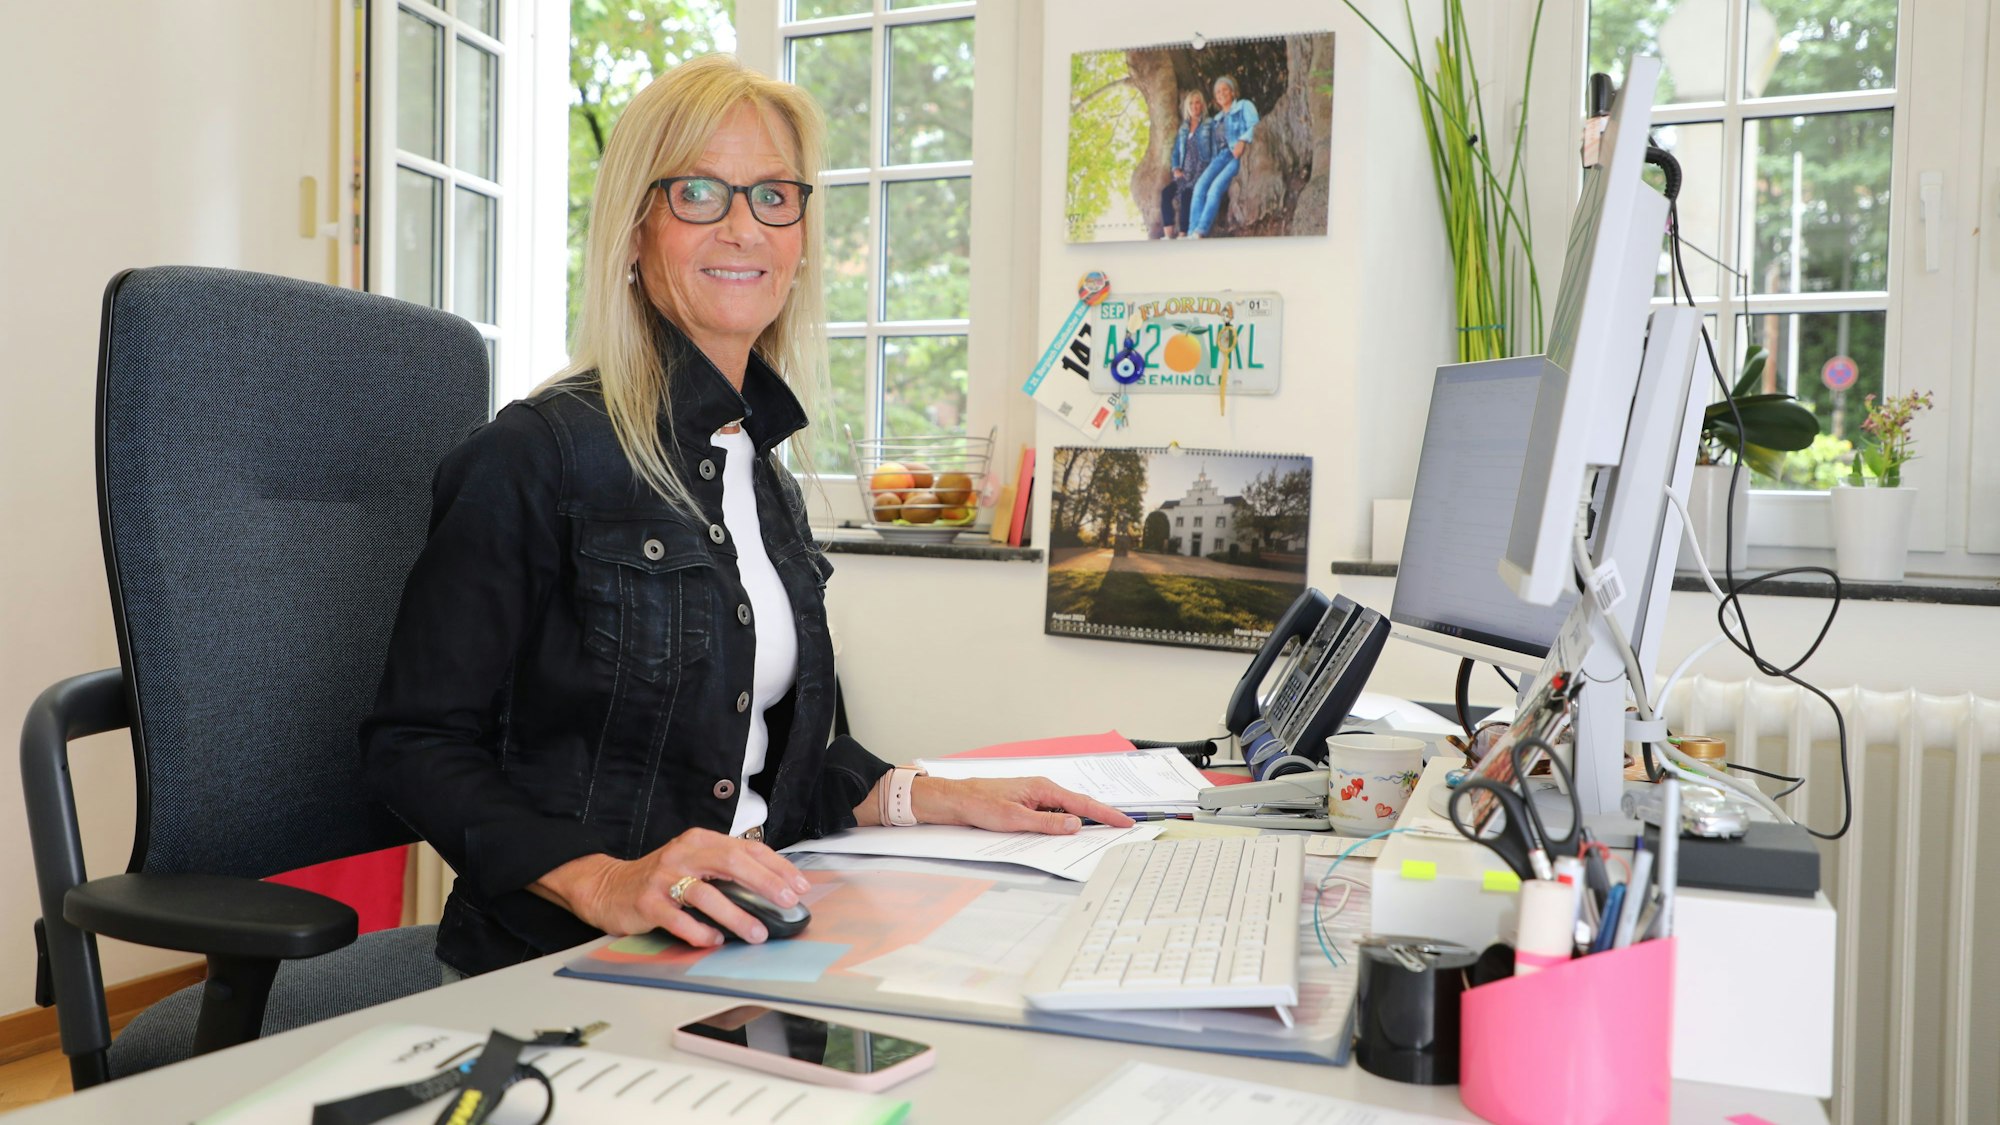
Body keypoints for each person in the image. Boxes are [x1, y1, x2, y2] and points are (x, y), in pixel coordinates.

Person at [361, 54, 1132, 980]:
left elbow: (782, 748)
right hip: (570, 958)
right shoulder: (536, 454)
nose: (743, 226)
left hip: (766, 913)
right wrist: (607, 880)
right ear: (635, 232)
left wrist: (945, 795)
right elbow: (414, 744)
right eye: (698, 192)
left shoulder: (757, 468)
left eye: (773, 195)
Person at [1187, 75, 1259, 239]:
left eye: (1225, 89)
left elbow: (1256, 125)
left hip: (1237, 155)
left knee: (1215, 189)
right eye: (1218, 91)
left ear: (1233, 92)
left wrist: (1243, 139)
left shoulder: (1244, 106)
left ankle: (1200, 231)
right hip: (1220, 157)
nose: (1221, 93)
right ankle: (1191, 231)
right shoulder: (1216, 120)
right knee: (1199, 186)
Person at [1157, 90, 1215, 238]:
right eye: (1191, 103)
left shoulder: (1209, 124)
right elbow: (1176, 151)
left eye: (1197, 102)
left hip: (1200, 173)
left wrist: (1206, 173)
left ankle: (1183, 234)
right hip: (1183, 174)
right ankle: (1168, 234)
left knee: (1187, 195)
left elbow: (1213, 149)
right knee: (1165, 193)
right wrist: (1175, 168)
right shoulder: (1183, 128)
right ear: (1187, 107)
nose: (1194, 106)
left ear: (1202, 105)